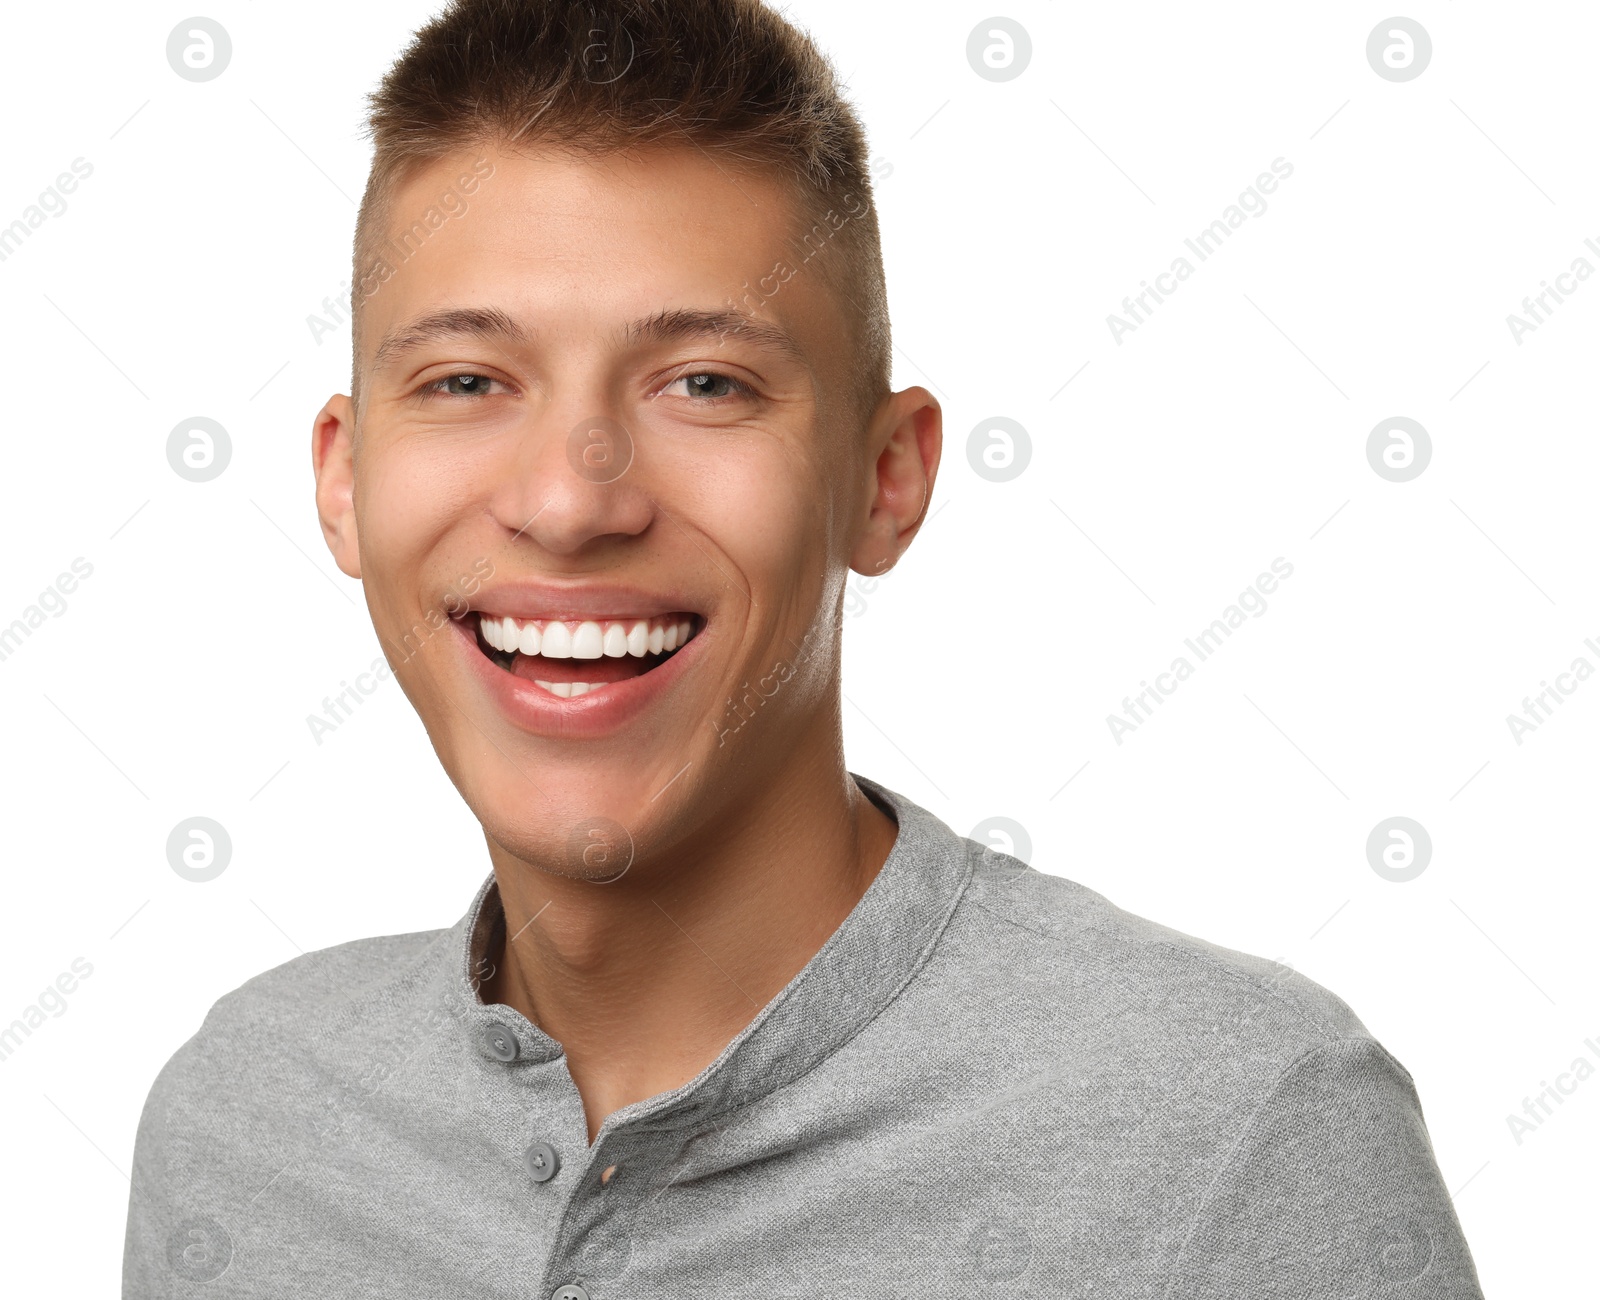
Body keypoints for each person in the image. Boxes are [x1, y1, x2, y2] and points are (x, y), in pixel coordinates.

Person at [123, 2, 1485, 1296]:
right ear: (344, 483)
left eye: (704, 383)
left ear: (883, 478)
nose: (572, 496)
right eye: (468, 381)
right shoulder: (245, 1119)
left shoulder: (1244, 1133)